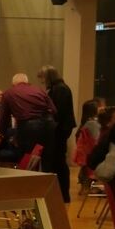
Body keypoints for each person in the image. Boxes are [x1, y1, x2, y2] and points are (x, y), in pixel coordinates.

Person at [37, 65, 76, 202]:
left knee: (58, 161)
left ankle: (63, 194)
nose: (42, 82)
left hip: (60, 129)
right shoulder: (60, 88)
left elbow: (56, 110)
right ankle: (60, 194)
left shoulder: (60, 89)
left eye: (42, 78)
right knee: (57, 161)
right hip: (61, 127)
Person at [0, 73, 56, 162]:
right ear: (27, 82)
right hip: (49, 126)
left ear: (13, 84)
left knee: (26, 158)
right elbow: (53, 110)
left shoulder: (9, 92)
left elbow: (4, 117)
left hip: (28, 128)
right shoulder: (40, 90)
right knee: (46, 159)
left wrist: (0, 134)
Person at [74, 99, 100, 193]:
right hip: (90, 151)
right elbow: (96, 138)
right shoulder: (92, 123)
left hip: (85, 152)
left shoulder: (85, 123)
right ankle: (86, 187)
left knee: (85, 168)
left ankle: (84, 186)